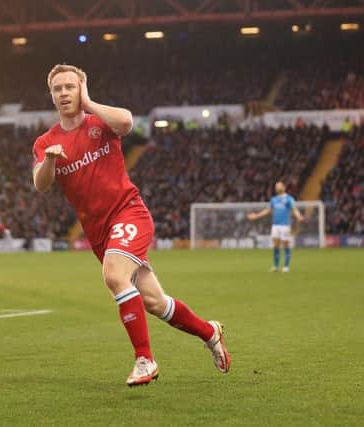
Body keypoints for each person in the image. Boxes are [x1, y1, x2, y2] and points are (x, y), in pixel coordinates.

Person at [32, 64, 230, 387]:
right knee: (155, 302)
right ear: (51, 96)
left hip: (129, 214)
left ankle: (145, 359)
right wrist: (51, 159)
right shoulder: (46, 142)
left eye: (70, 86)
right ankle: (210, 332)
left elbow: (126, 121)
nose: (64, 93)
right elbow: (40, 184)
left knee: (114, 275)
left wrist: (89, 102)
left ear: (81, 88)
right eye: (58, 89)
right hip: (99, 233)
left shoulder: (100, 122)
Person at [247, 181, 304, 272]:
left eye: (279, 186)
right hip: (275, 225)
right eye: (276, 186)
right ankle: (276, 266)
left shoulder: (289, 199)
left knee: (286, 245)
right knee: (276, 246)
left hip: (285, 225)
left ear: (284, 187)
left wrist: (299, 217)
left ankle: (286, 266)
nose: (277, 188)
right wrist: (256, 216)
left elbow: (294, 209)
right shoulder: (274, 199)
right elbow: (268, 211)